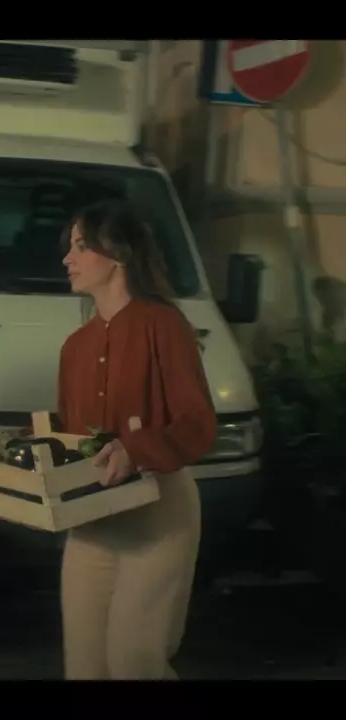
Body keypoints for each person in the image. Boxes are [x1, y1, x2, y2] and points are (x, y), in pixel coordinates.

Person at [54, 199, 217, 680]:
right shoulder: (75, 347)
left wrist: (136, 449)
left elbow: (197, 424)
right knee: (84, 667)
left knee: (134, 663)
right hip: (91, 521)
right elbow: (70, 434)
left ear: (118, 253)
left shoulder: (163, 326)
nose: (67, 259)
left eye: (81, 246)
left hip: (156, 517)